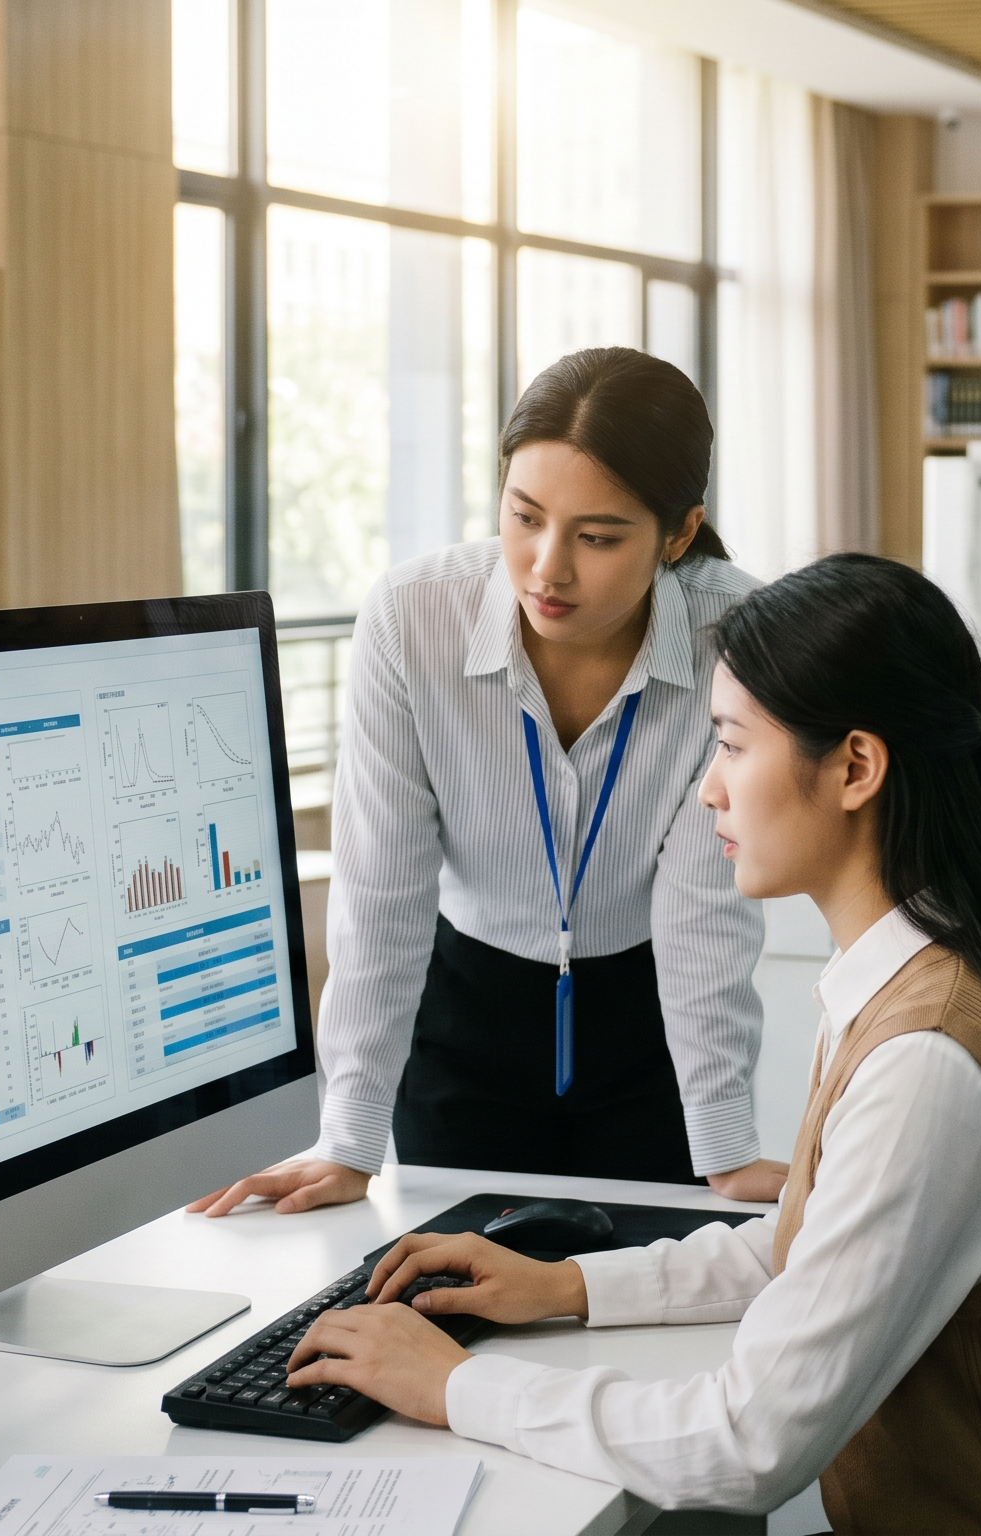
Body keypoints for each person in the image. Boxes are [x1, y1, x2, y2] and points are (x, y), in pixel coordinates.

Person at [270, 553, 981, 1531]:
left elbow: (746, 1446)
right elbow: (805, 1251)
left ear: (854, 768)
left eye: (733, 747)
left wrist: (453, 1389)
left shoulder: (927, 1057)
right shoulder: (915, 969)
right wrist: (564, 1285)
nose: (708, 790)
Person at [193, 349, 783, 1213]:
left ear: (680, 533)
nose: (548, 567)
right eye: (525, 516)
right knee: (454, 1296)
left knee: (640, 1296)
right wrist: (348, 1136)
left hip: (651, 1024)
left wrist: (725, 1147)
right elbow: (382, 896)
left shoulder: (738, 635)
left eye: (598, 536)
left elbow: (705, 915)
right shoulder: (413, 619)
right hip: (464, 1014)